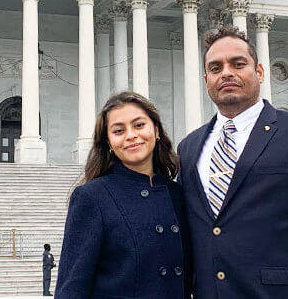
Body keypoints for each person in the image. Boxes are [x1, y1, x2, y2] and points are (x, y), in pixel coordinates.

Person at [177, 26, 288, 298]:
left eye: (238, 64)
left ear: (259, 72)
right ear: (206, 80)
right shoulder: (189, 147)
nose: (226, 73)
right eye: (215, 68)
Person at [55, 92, 192, 298]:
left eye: (139, 125)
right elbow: (72, 286)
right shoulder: (92, 197)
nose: (131, 135)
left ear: (156, 130)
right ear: (109, 142)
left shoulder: (178, 195)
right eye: (119, 131)